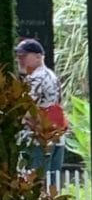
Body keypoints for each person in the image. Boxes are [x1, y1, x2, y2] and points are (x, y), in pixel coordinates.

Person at [13, 38, 65, 189]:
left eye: (24, 55)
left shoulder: (36, 78)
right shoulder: (52, 76)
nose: (20, 59)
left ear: (38, 56)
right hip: (56, 137)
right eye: (18, 56)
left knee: (35, 186)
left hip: (38, 140)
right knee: (52, 186)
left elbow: (27, 111)